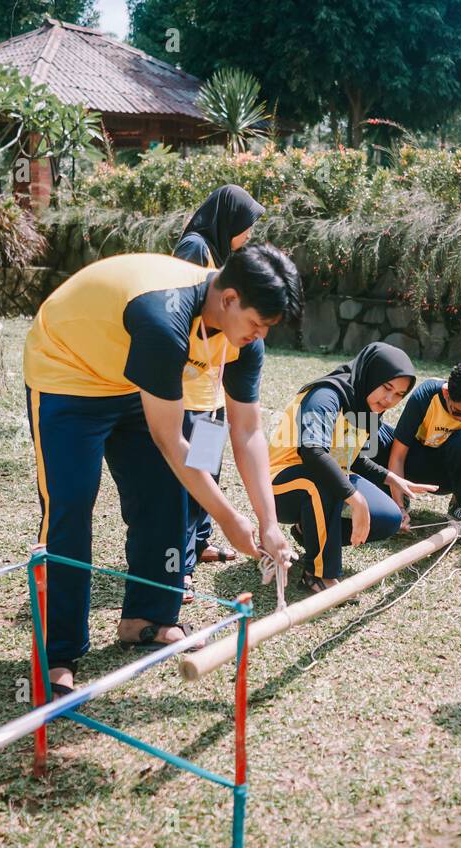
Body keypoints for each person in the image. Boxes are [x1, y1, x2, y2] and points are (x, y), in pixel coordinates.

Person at [24, 244, 299, 693]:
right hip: (68, 374)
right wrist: (230, 520)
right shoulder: (164, 318)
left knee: (167, 495)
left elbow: (247, 431)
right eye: (256, 324)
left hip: (130, 379)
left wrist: (268, 524)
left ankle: (146, 619)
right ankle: (58, 651)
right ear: (229, 299)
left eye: (268, 328)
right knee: (71, 506)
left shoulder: (241, 341)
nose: (260, 336)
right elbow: (172, 442)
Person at [267, 343, 435, 593]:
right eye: (387, 387)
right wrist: (356, 499)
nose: (389, 400)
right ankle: (318, 574)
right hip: (279, 485)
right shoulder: (326, 395)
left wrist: (391, 478)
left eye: (399, 395)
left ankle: (308, 531)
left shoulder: (367, 406)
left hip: (323, 483)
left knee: (389, 518)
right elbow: (312, 452)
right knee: (323, 480)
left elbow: (351, 457)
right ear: (371, 375)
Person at [172, 186, 267, 600]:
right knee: (186, 480)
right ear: (228, 220)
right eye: (245, 226)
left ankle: (201, 541)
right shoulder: (194, 249)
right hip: (184, 392)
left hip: (210, 392)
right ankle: (180, 567)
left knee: (208, 470)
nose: (248, 234)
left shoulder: (224, 259)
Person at [376, 360, 461, 529]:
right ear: (446, 392)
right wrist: (399, 508)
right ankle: (394, 494)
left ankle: (459, 505)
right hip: (413, 466)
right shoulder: (426, 395)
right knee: (372, 432)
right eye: (457, 412)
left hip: (447, 477)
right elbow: (397, 456)